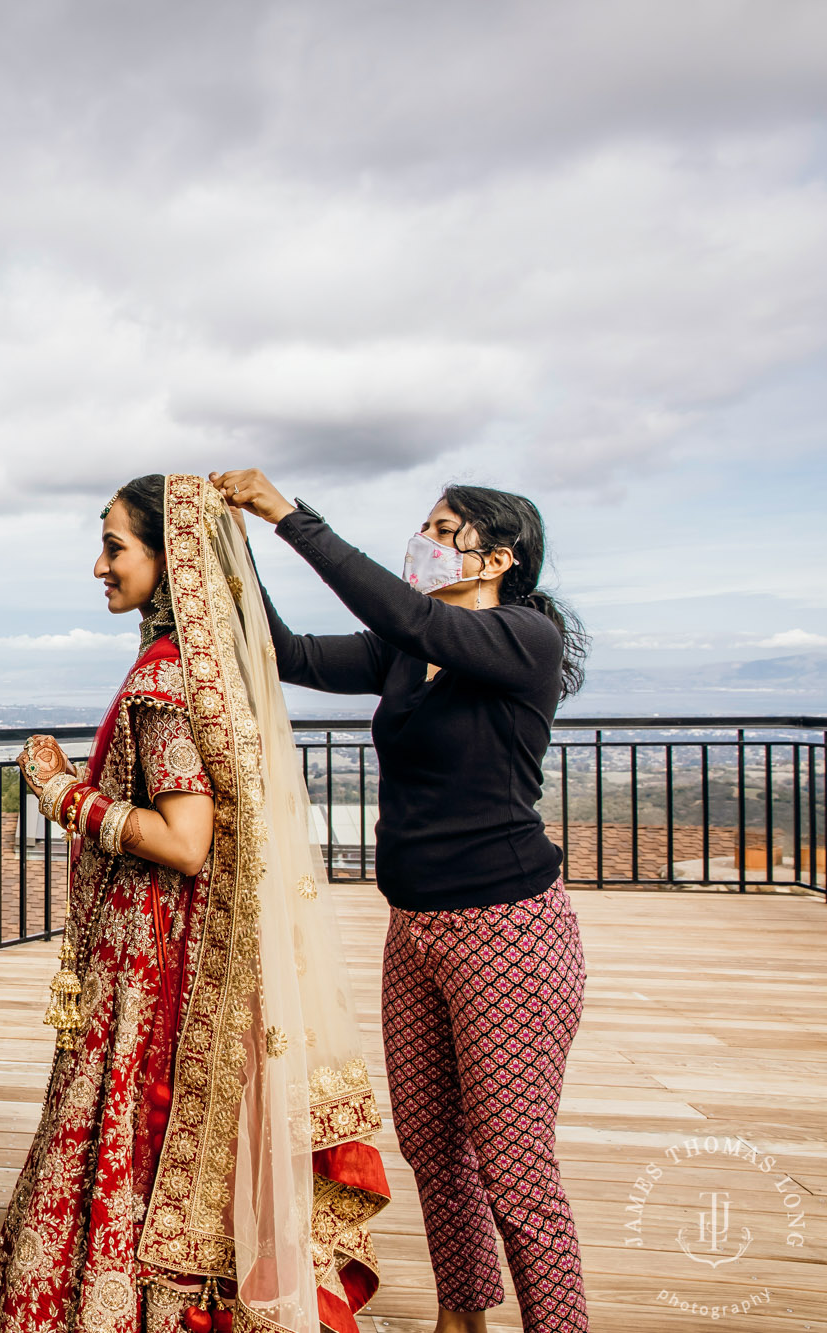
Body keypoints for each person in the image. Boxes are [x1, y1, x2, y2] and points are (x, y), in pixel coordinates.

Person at [0, 473, 389, 1333]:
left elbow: (185, 839)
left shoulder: (165, 682)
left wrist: (61, 793)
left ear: (171, 563)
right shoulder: (188, 672)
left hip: (150, 962)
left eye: (115, 545)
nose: (99, 564)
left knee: (130, 1125)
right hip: (168, 952)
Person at [209, 469, 590, 1333]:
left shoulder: (520, 637)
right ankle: (464, 1316)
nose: (423, 538)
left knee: (514, 1165)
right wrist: (228, 545)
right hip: (414, 929)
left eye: (442, 527)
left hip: (509, 933)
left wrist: (290, 518)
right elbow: (290, 651)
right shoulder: (407, 652)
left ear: (498, 556)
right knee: (429, 1142)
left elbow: (412, 613)